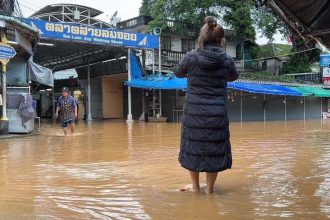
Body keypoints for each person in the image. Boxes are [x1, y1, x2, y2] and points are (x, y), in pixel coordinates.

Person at [174, 16, 239, 194]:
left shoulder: (191, 57)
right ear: (221, 40)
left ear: (202, 37)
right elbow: (234, 76)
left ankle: (195, 188)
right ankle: (209, 190)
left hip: (193, 112)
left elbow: (178, 72)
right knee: (214, 150)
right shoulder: (226, 60)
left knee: (192, 148)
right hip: (217, 113)